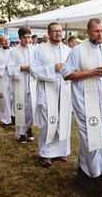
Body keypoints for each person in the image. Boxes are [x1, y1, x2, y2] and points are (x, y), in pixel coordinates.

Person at [62, 18, 102, 194]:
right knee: (93, 138)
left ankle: (82, 173)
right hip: (84, 101)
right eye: (96, 31)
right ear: (87, 32)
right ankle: (97, 178)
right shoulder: (78, 51)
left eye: (101, 31)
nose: (100, 34)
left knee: (93, 138)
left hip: (101, 102)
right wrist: (91, 72)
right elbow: (66, 74)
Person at [31, 22, 72, 167]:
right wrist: (52, 68)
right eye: (55, 31)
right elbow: (34, 70)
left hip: (64, 90)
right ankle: (46, 154)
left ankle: (61, 151)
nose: (58, 34)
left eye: (60, 31)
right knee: (48, 122)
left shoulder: (68, 50)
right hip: (47, 90)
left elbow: (72, 69)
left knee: (63, 121)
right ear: (49, 33)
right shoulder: (40, 50)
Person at [8, 26, 37, 143]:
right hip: (20, 82)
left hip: (32, 81)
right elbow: (9, 68)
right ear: (20, 38)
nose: (27, 40)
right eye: (24, 37)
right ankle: (20, 133)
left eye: (29, 37)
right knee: (21, 107)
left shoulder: (34, 49)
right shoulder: (14, 51)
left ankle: (28, 128)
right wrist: (21, 68)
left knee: (31, 107)